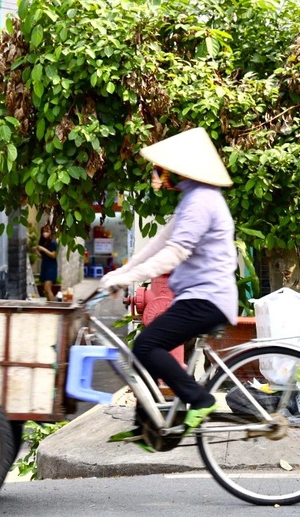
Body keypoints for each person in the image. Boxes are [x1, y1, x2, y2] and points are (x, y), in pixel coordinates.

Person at [99, 127, 237, 431]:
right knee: (144, 351)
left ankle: (199, 401)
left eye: (165, 168)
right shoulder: (193, 200)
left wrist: (129, 276)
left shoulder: (202, 201)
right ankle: (149, 426)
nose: (161, 174)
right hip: (198, 297)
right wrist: (122, 273)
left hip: (206, 299)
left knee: (147, 347)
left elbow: (174, 253)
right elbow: (158, 242)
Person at [36, 224, 59, 300]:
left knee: (47, 288)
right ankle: (50, 305)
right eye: (43, 231)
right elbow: (42, 256)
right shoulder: (43, 242)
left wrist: (43, 249)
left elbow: (53, 255)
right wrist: (37, 251)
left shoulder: (53, 243)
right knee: (45, 290)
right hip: (45, 267)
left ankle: (54, 307)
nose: (45, 233)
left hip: (51, 268)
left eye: (47, 231)